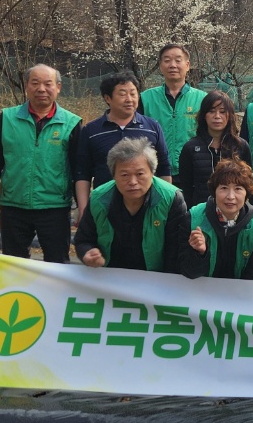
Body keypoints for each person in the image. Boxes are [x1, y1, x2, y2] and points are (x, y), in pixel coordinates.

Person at [0, 64, 81, 263]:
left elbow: (78, 170)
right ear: (26, 86)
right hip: (13, 206)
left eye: (48, 84)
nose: (41, 89)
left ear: (59, 87)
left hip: (54, 207)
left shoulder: (72, 122)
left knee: (58, 264)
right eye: (35, 83)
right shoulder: (8, 118)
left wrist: (79, 207)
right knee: (14, 264)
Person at [75, 137, 190, 273]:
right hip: (109, 277)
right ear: (114, 176)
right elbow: (83, 240)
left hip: (155, 279)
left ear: (152, 173)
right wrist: (88, 252)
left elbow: (176, 251)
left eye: (140, 174)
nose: (133, 182)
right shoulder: (99, 198)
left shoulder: (171, 198)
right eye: (124, 175)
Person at [74, 71, 172, 215]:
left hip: (148, 205)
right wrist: (83, 208)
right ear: (108, 98)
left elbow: (164, 167)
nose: (129, 99)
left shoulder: (152, 127)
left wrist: (166, 203)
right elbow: (82, 173)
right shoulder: (91, 130)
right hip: (105, 205)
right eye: (122, 94)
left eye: (133, 94)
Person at [183, 158, 253, 280]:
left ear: (247, 193)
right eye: (224, 188)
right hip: (202, 292)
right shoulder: (193, 218)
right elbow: (187, 271)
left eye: (238, 189)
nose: (230, 197)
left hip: (243, 293)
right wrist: (200, 253)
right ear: (214, 191)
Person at [139, 44, 206, 181]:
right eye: (167, 60)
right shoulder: (145, 98)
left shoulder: (203, 99)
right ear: (160, 65)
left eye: (178, 60)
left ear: (187, 65)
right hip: (154, 172)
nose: (172, 65)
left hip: (193, 171)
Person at [177, 90, 251, 207]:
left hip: (234, 212)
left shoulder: (241, 146)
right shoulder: (190, 148)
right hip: (201, 213)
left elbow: (247, 184)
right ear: (204, 115)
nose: (217, 116)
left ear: (230, 115)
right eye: (211, 111)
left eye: (222, 112)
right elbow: (186, 188)